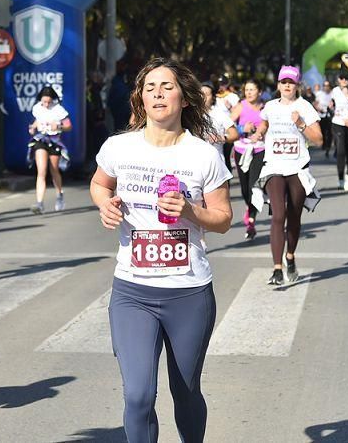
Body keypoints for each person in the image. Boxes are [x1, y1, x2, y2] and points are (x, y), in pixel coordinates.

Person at [91, 57, 231, 443]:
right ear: (140, 98)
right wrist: (105, 204)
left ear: (184, 99)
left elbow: (222, 218)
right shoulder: (119, 147)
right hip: (133, 292)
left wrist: (191, 210)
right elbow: (100, 184)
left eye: (166, 86)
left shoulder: (203, 155)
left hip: (188, 292)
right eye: (149, 87)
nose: (157, 92)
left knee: (185, 393)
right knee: (138, 396)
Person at [254, 65, 323, 284]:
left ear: (297, 85)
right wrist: (258, 132)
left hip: (298, 168)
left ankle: (290, 256)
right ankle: (276, 269)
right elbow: (264, 124)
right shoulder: (270, 106)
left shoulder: (305, 107)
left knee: (294, 217)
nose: (286, 86)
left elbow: (319, 139)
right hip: (274, 166)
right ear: (278, 85)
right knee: (278, 216)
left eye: (290, 82)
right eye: (283, 82)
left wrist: (301, 124)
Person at [230, 79, 266, 240]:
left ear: (260, 92)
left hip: (259, 150)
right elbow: (226, 126)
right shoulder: (240, 106)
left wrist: (261, 132)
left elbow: (270, 125)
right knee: (244, 189)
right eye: (247, 90)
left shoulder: (266, 108)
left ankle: (251, 219)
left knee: (254, 186)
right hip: (241, 150)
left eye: (252, 90)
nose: (249, 93)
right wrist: (241, 128)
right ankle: (249, 207)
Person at [28, 86, 71, 214]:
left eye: (48, 102)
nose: (46, 104)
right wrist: (33, 127)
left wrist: (58, 125)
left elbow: (69, 126)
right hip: (41, 139)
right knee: (41, 171)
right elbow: (38, 120)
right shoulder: (37, 108)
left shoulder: (58, 110)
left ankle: (59, 195)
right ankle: (39, 203)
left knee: (54, 170)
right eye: (44, 102)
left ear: (53, 100)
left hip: (54, 140)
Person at [330, 70, 348, 191]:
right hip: (339, 123)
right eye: (341, 78)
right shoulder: (335, 91)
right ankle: (341, 178)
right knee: (341, 151)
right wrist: (330, 105)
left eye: (346, 78)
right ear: (338, 80)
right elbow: (334, 108)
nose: (343, 81)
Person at [200, 81, 238, 166]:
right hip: (196, 162)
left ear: (213, 98)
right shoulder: (190, 115)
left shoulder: (219, 114)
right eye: (201, 94)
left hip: (216, 163)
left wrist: (220, 138)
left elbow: (234, 134)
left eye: (206, 94)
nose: (203, 97)